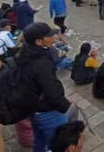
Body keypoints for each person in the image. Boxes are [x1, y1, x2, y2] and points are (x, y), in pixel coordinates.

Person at [19, 23, 76, 152]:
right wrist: (65, 106)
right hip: (48, 112)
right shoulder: (41, 64)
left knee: (39, 140)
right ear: (39, 41)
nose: (54, 38)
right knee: (59, 144)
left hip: (34, 109)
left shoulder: (25, 54)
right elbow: (52, 92)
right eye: (49, 36)